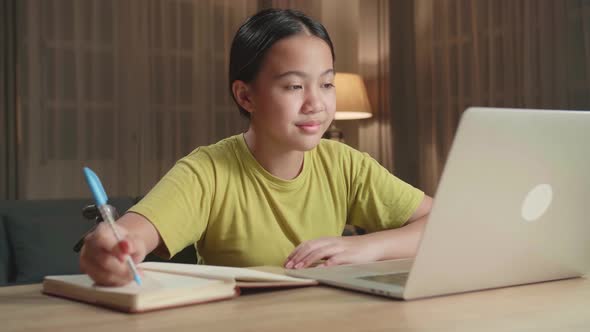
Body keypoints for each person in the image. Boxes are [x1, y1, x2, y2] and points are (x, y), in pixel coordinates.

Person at [80, 8, 433, 286]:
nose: (316, 103)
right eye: (295, 87)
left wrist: (367, 247)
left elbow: (442, 223)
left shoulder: (346, 164)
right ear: (246, 95)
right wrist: (111, 249)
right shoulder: (207, 171)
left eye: (326, 84)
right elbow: (131, 234)